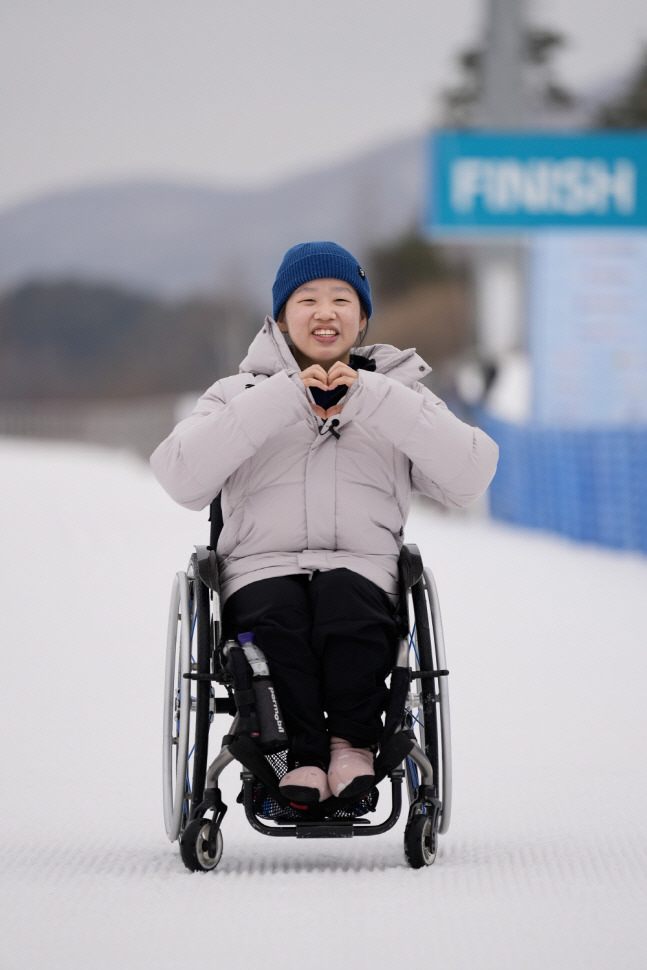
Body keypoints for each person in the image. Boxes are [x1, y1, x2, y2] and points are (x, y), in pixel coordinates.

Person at [150, 241, 498, 804]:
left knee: (347, 607)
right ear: (281, 319)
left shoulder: (399, 395)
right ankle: (296, 757)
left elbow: (471, 475)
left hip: (362, 567)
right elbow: (180, 477)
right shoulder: (237, 395)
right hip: (260, 569)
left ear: (362, 319)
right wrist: (285, 398)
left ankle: (351, 748)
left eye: (341, 299)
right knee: (277, 623)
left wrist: (374, 397)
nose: (325, 312)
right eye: (306, 299)